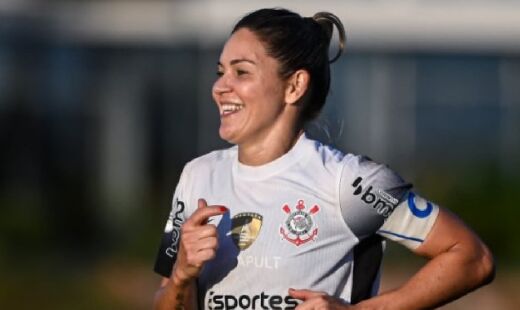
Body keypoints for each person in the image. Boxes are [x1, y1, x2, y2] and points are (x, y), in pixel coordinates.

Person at [153, 8, 494, 309]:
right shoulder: (197, 176)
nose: (219, 87)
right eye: (220, 72)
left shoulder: (350, 183)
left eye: (241, 72)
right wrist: (181, 274)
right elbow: (167, 298)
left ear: (295, 86)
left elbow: (471, 258)